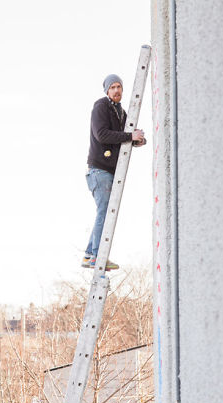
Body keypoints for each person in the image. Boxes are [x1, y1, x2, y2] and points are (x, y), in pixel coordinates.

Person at [82, 73, 146, 270]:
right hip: (99, 170)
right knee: (105, 211)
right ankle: (96, 257)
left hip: (109, 171)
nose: (117, 90)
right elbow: (102, 135)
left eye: (119, 87)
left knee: (105, 211)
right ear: (107, 91)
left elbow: (124, 136)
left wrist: (137, 140)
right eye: (113, 87)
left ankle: (89, 255)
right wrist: (129, 135)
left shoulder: (120, 112)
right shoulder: (101, 106)